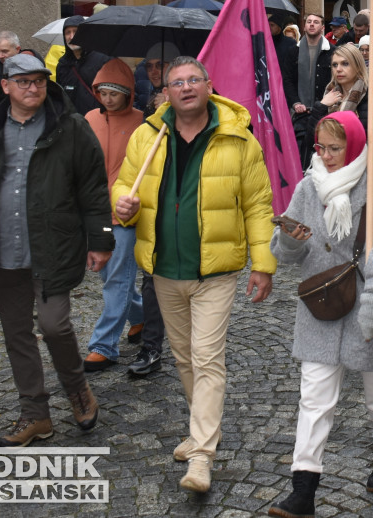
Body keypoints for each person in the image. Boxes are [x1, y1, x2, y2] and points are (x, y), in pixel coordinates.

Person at [113, 56, 275, 493]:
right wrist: (122, 206)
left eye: (193, 80)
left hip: (216, 270)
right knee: (185, 357)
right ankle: (200, 430)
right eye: (176, 82)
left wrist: (263, 263)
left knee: (206, 357)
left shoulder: (238, 139)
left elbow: (258, 205)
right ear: (165, 92)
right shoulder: (148, 136)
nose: (185, 88)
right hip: (164, 268)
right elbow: (124, 187)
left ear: (208, 86)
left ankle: (202, 455)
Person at [0, 54, 114, 446]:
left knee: (55, 324)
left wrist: (102, 240)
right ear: (5, 86)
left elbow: (94, 188)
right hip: (3, 247)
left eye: (39, 81)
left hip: (54, 245)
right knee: (16, 332)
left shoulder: (70, 126)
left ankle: (77, 390)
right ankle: (35, 413)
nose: (32, 88)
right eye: (23, 81)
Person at [269, 111, 373, 517]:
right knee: (314, 399)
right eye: (321, 148)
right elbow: (287, 253)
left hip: (370, 308)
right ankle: (303, 490)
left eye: (335, 148)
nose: (326, 156)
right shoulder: (307, 187)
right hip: (321, 308)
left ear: (352, 147)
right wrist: (290, 239)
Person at [82, 59, 145, 372]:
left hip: (126, 213)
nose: (107, 98)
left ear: (127, 94)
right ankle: (141, 316)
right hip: (94, 212)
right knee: (111, 278)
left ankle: (104, 346)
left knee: (117, 280)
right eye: (103, 92)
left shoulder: (143, 122)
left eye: (114, 93)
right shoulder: (90, 118)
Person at [307, 43, 373, 168]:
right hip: (332, 171)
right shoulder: (328, 98)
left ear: (358, 66)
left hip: (364, 172)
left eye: (345, 63)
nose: (338, 69)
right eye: (335, 65)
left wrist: (355, 148)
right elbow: (311, 143)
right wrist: (320, 107)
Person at [286, 14, 334, 166]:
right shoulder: (293, 51)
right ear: (304, 26)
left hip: (324, 112)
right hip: (300, 114)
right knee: (301, 153)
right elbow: (287, 80)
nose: (312, 25)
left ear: (322, 27)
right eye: (309, 22)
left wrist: (326, 103)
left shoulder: (332, 51)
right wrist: (295, 102)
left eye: (316, 22)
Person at [56, 16, 110, 116]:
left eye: (75, 31)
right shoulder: (62, 65)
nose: (71, 37)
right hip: (72, 125)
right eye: (68, 33)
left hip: (98, 122)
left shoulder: (103, 60)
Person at [134, 42, 180, 114]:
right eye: (149, 66)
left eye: (160, 65)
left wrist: (170, 106)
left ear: (173, 66)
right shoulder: (152, 96)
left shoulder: (185, 95)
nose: (154, 72)